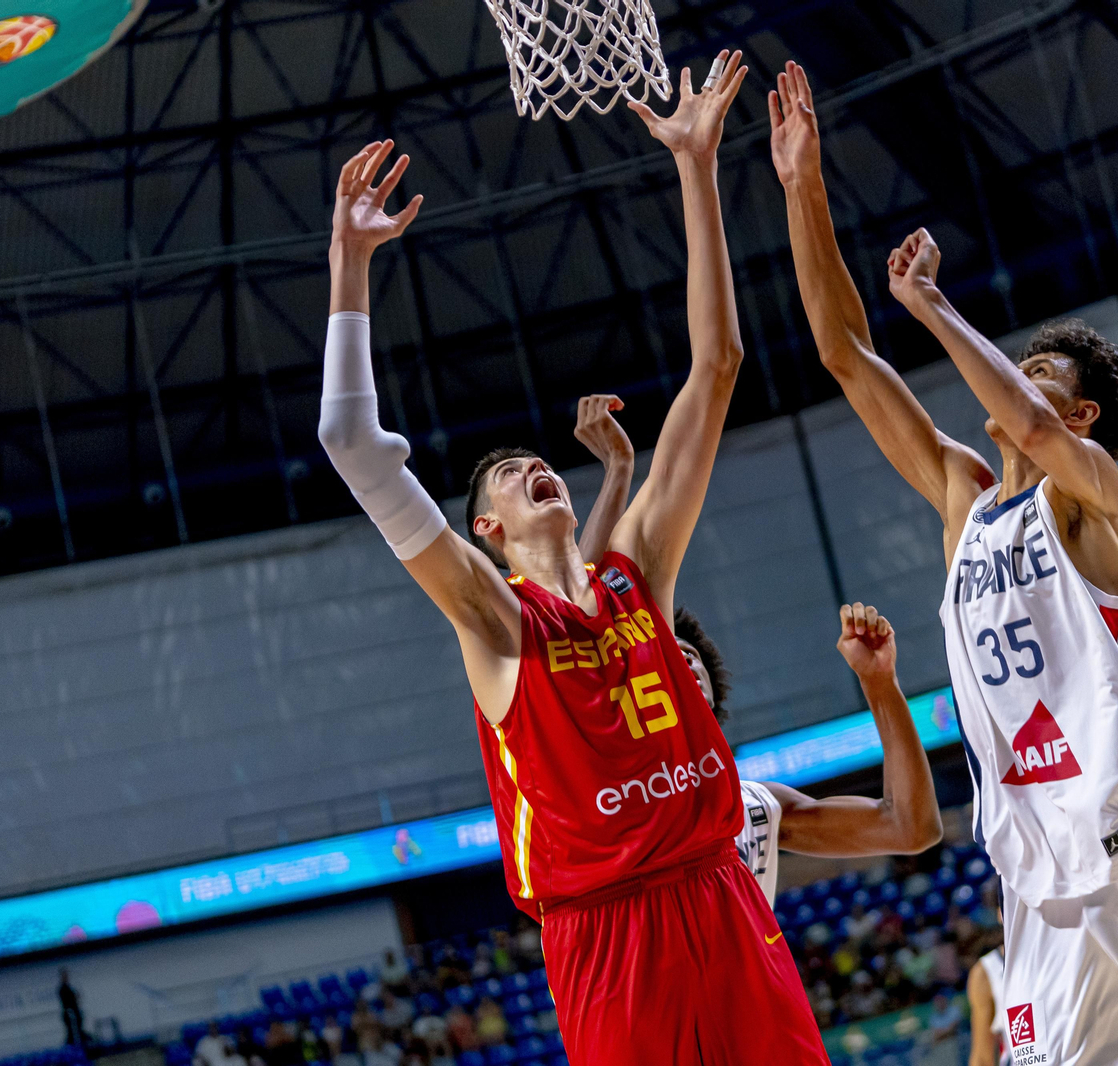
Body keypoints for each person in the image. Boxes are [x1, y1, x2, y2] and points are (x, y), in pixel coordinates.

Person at [765, 58, 1118, 1066]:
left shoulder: (1087, 491)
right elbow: (847, 353)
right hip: (1037, 864)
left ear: (1080, 417)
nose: (1012, 381)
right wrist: (803, 185)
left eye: (1036, 372)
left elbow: (1021, 415)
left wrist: (933, 307)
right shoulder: (962, 500)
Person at [317, 51, 824, 1065]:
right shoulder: (495, 620)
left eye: (535, 460)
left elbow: (715, 367)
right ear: (489, 533)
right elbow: (349, 443)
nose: (531, 468)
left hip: (719, 896)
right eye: (507, 474)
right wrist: (350, 267)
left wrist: (695, 164)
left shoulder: (638, 573)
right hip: (606, 936)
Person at [572, 398, 944, 902]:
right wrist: (618, 473)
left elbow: (909, 827)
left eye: (690, 655)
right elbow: (576, 628)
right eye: (664, 651)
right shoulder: (609, 792)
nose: (681, 657)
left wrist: (880, 684)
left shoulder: (756, 806)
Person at [58, 968, 87, 1051]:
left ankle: (78, 1047)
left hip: (74, 1013)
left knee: (77, 1030)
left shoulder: (69, 987)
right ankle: (70, 1049)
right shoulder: (62, 989)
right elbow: (67, 1002)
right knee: (71, 1032)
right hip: (70, 1014)